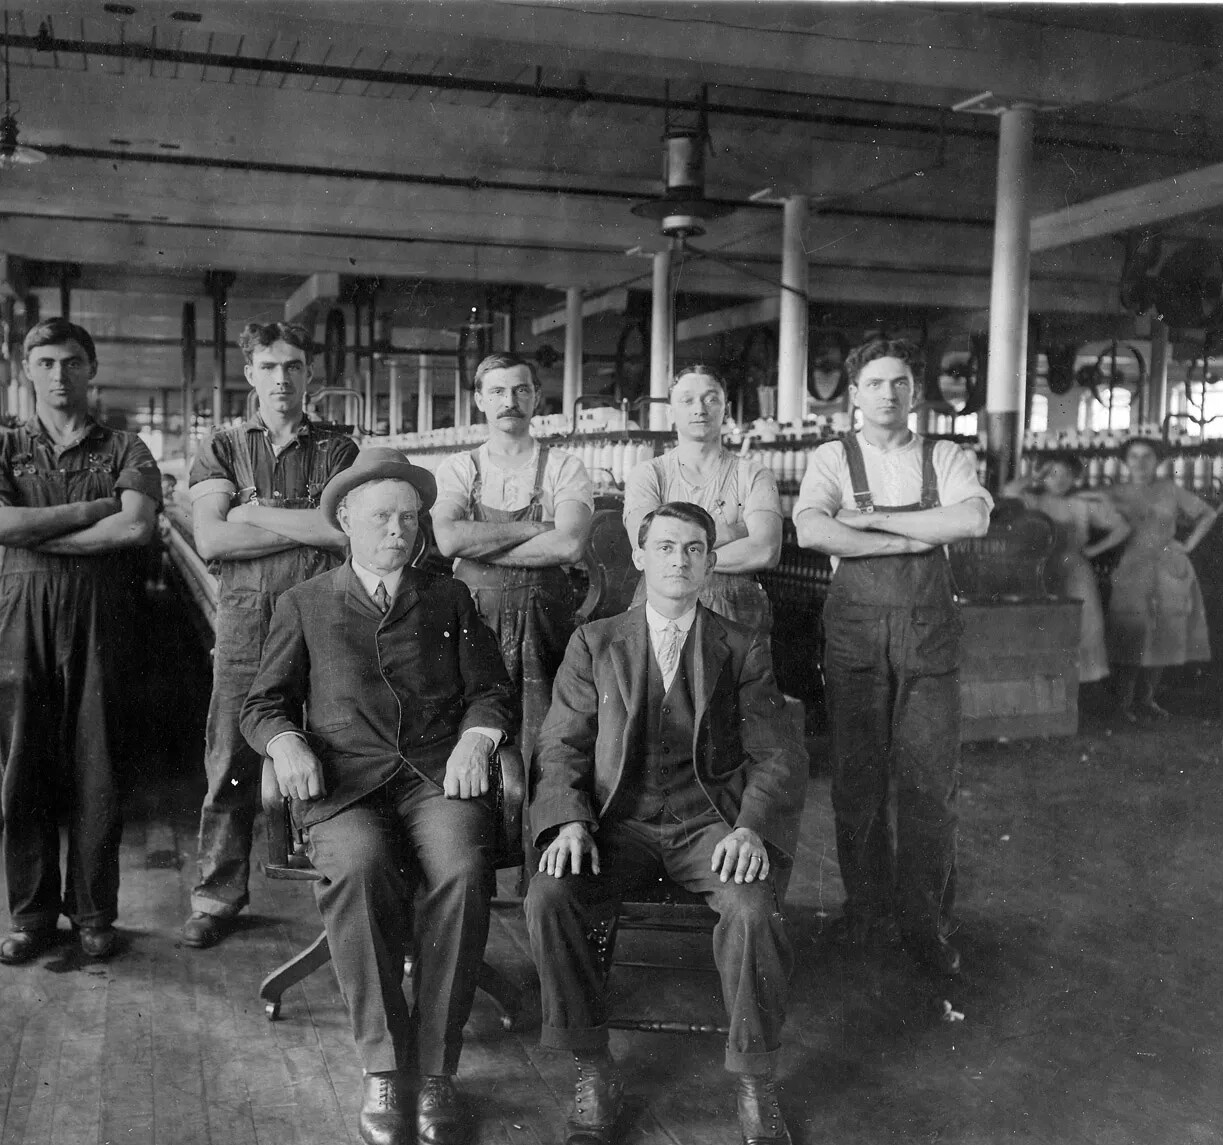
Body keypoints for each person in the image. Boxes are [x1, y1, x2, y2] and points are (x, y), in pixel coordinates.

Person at [240, 447, 517, 1145]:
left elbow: (490, 687)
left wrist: (478, 739)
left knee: (461, 868)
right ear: (344, 521)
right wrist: (284, 743)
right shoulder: (304, 602)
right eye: (381, 517)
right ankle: (386, 1069)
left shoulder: (449, 596)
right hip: (344, 785)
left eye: (409, 518)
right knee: (361, 869)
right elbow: (261, 703)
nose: (398, 530)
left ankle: (436, 1071)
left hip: (433, 777)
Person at [525, 501, 806, 1145]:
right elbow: (561, 746)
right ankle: (591, 1066)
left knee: (752, 908)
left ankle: (756, 1081)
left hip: (707, 824)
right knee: (551, 892)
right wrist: (569, 822)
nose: (679, 560)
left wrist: (751, 828)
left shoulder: (739, 645)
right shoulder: (594, 642)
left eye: (694, 549)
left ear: (710, 562)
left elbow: (776, 753)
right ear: (640, 557)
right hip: (615, 824)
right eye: (667, 547)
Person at [793, 337, 992, 976]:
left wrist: (868, 524)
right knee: (857, 783)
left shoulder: (947, 453)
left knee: (930, 784)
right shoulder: (830, 456)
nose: (887, 393)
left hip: (929, 633)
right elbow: (812, 530)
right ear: (854, 394)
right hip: (854, 634)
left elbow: (971, 523)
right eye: (875, 382)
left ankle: (925, 922)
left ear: (914, 391)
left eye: (899, 382)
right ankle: (867, 914)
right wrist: (910, 533)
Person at [179, 321, 358, 949]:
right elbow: (212, 538)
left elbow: (348, 534)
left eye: (295, 365)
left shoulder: (338, 449)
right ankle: (216, 895)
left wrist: (252, 512)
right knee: (230, 757)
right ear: (250, 374)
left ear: (309, 375)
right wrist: (305, 522)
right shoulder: (222, 446)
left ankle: (341, 887)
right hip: (247, 620)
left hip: (324, 619)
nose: (282, 378)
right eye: (269, 366)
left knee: (332, 746)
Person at [0, 319, 161, 964]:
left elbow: (135, 529)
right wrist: (95, 509)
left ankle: (94, 912)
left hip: (103, 621)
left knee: (100, 768)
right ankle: (30, 916)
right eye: (44, 363)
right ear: (27, 371)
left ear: (91, 370)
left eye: (71, 362)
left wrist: (33, 534)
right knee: (22, 767)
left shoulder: (126, 447)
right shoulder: (6, 446)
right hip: (19, 619)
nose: (58, 375)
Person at [432, 352, 593, 766]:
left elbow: (569, 546)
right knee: (471, 730)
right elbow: (448, 539)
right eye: (498, 391)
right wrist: (538, 528)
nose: (510, 400)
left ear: (536, 397)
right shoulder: (459, 467)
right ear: (479, 400)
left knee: (546, 739)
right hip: (472, 621)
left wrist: (481, 542)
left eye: (521, 390)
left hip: (544, 625)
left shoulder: (564, 467)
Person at [622, 363, 781, 632]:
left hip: (736, 612)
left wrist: (679, 547)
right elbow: (648, 550)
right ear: (671, 412)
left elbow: (765, 551)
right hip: (661, 613)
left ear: (726, 409)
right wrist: (735, 531)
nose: (700, 409)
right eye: (687, 400)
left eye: (711, 399)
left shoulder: (753, 474)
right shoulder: (648, 474)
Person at [1105, 437, 1217, 720]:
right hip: (1132, 566)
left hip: (1169, 568)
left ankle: (1147, 699)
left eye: (1147, 457)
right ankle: (1123, 703)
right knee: (1130, 634)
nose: (1141, 462)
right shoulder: (1115, 493)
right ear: (1125, 461)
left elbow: (1208, 513)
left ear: (1158, 461)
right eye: (1134, 456)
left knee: (1165, 633)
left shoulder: (1170, 489)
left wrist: (1188, 544)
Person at [1003, 455, 1131, 684]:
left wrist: (1093, 550)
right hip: (1039, 571)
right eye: (1053, 474)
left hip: (1074, 571)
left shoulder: (1080, 505)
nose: (1060, 480)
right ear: (1043, 476)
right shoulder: (1032, 501)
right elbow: (1009, 491)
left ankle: (1074, 689)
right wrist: (1035, 476)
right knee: (1043, 626)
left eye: (1066, 475)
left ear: (1074, 478)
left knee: (1082, 627)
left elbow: (1122, 527)